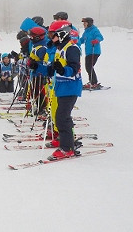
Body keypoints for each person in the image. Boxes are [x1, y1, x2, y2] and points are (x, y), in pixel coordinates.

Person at [41, 20, 82, 160]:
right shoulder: (60, 48)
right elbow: (51, 70)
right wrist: (36, 67)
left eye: (53, 35)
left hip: (70, 88)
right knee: (59, 117)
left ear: (62, 34)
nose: (51, 38)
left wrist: (63, 70)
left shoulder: (72, 48)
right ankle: (65, 142)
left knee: (62, 118)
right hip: (61, 88)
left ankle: (67, 148)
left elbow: (74, 69)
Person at [79, 17, 104, 89]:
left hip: (94, 51)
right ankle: (92, 81)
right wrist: (76, 42)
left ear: (89, 23)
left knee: (89, 66)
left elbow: (100, 37)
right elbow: (82, 40)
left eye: (85, 23)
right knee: (88, 67)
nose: (84, 24)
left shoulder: (94, 30)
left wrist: (96, 40)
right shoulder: (86, 32)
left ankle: (94, 82)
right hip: (88, 52)